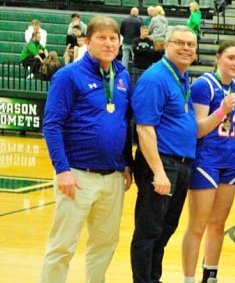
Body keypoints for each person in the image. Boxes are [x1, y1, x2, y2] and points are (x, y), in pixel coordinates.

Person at [40, 16, 132, 283]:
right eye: (101, 38)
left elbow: (124, 121)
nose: (108, 43)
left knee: (105, 244)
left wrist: (127, 161)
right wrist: (62, 170)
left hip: (113, 177)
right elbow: (52, 125)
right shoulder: (68, 76)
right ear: (87, 42)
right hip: (76, 175)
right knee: (62, 245)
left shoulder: (122, 76)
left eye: (113, 38)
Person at [130, 25, 198, 283]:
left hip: (180, 165)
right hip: (162, 163)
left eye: (191, 44)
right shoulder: (155, 78)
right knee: (149, 231)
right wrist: (158, 172)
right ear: (166, 45)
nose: (186, 48)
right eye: (179, 42)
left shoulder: (181, 77)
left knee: (165, 229)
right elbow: (144, 128)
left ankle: (153, 278)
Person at [180, 40, 235, 283]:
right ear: (218, 58)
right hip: (206, 160)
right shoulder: (204, 84)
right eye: (231, 58)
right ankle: (188, 279)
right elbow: (198, 130)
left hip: (229, 160)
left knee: (218, 224)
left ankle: (210, 275)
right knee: (197, 226)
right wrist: (222, 111)